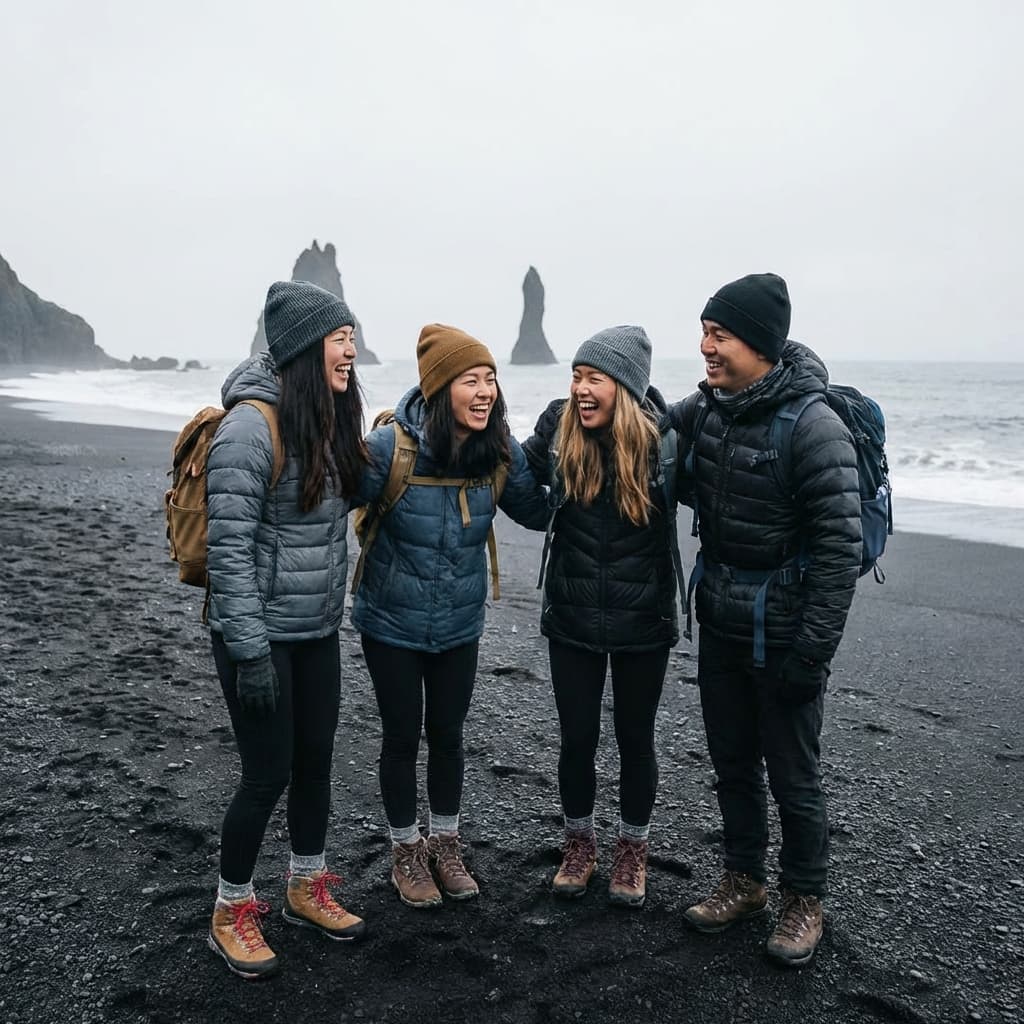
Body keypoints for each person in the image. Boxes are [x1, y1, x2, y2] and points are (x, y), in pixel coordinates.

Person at [669, 273, 862, 967]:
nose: (706, 347)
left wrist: (811, 655)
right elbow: (648, 432)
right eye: (706, 333)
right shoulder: (708, 408)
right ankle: (745, 881)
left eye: (719, 335)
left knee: (793, 773)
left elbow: (841, 551)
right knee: (730, 762)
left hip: (785, 632)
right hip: (720, 619)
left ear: (758, 343)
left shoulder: (813, 426)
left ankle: (804, 898)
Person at [351, 324, 549, 909]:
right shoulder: (392, 448)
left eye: (491, 378)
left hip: (459, 623)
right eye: (471, 379)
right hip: (390, 621)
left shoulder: (497, 450)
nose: (485, 390)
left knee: (448, 735)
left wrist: (547, 445)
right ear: (441, 390)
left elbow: (537, 511)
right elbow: (329, 495)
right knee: (400, 736)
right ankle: (406, 852)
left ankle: (446, 843)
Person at [204, 280, 369, 979]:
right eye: (340, 338)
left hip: (315, 629)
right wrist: (248, 652)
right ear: (305, 346)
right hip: (259, 636)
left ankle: (305, 884)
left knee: (315, 761)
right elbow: (228, 551)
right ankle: (230, 908)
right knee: (266, 772)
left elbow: (359, 494)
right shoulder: (249, 427)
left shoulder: (327, 417)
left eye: (352, 337)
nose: (352, 350)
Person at [521, 326, 681, 908]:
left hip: (644, 617)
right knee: (577, 738)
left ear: (627, 387)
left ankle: (632, 851)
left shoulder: (666, 441)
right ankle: (580, 843)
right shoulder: (559, 430)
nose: (582, 389)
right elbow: (518, 483)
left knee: (636, 738)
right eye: (577, 375)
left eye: (596, 378)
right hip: (573, 615)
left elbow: (721, 496)